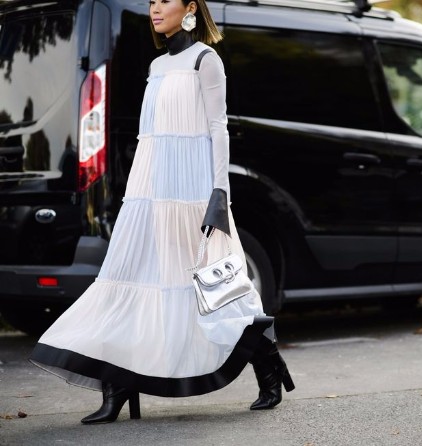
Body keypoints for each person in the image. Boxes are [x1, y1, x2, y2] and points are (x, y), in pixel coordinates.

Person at [29, 0, 294, 424]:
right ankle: (117, 388)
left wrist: (219, 194)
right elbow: (151, 138)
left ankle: (267, 364)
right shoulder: (156, 66)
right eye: (151, 0)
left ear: (190, 7)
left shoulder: (205, 60)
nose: (155, 7)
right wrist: (138, 193)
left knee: (216, 287)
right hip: (151, 193)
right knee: (132, 278)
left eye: (164, 0)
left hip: (194, 194)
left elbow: (217, 128)